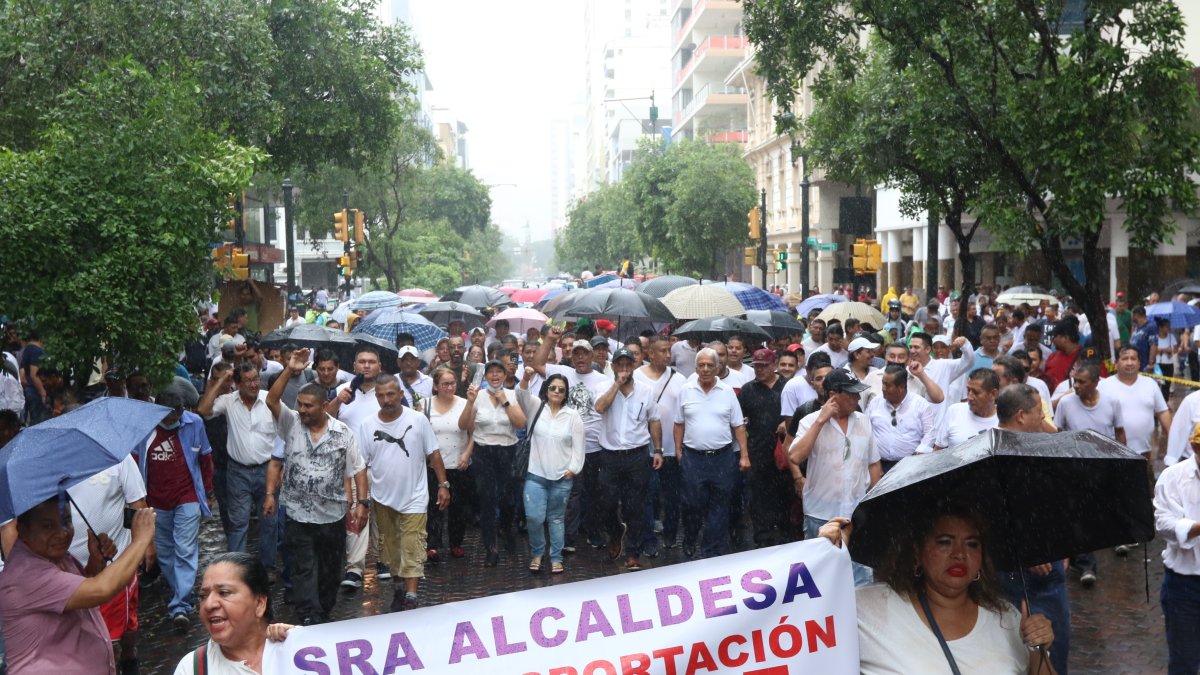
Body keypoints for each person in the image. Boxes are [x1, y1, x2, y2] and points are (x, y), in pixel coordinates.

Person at [818, 504, 1056, 674]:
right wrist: (822, 559)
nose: (959, 554)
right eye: (945, 541)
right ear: (918, 552)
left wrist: (1038, 650)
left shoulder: (1008, 619)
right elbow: (807, 631)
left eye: (972, 544)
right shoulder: (866, 609)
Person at [262, 348, 367, 626]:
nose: (302, 410)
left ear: (323, 406)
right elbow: (272, 400)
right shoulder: (291, 424)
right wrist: (290, 369)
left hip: (332, 515)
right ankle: (309, 615)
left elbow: (358, 469)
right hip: (298, 514)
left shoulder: (343, 433)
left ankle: (323, 609)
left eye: (308, 406)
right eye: (300, 404)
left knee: (330, 571)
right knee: (303, 567)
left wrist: (362, 503)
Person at [0, 496, 156, 674]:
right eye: (48, 526)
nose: (62, 533)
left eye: (66, 521)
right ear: (22, 530)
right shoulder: (27, 573)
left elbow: (76, 594)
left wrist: (95, 562)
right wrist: (140, 540)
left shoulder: (54, 556)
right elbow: (100, 590)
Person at [993, 383, 1072, 675]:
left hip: (1048, 573)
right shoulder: (990, 458)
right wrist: (1024, 548)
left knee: (1052, 654)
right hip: (1012, 578)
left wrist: (1062, 547)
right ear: (1021, 415)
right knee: (1015, 655)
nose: (1044, 417)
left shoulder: (1039, 451)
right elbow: (983, 521)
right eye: (1040, 411)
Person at [357, 376, 450, 611]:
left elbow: (434, 453)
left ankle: (411, 595)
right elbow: (361, 465)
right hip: (382, 497)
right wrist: (363, 501)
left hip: (415, 496)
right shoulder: (367, 425)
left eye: (391, 394)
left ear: (400, 394)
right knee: (391, 547)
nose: (386, 400)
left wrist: (443, 484)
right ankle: (398, 587)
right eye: (381, 395)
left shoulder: (418, 420)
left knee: (412, 544)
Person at [789, 370, 881, 586]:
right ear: (832, 395)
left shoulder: (863, 421)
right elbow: (795, 456)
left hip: (856, 515)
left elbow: (874, 463)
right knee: (821, 580)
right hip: (821, 515)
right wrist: (821, 421)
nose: (857, 398)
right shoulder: (810, 421)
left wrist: (873, 503)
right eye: (851, 393)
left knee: (860, 580)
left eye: (858, 393)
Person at [133, 391, 213, 632]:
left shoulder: (194, 423)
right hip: (155, 500)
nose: (174, 421)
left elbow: (205, 459)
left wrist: (207, 491)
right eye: (169, 418)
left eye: (178, 416)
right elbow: (134, 465)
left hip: (187, 496)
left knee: (185, 549)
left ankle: (180, 605)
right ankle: (181, 591)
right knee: (165, 551)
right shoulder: (143, 428)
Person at [66, 456, 152, 675]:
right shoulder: (49, 465)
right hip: (69, 572)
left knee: (112, 634)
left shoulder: (118, 457)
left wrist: (142, 545)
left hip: (115, 565)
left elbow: (137, 504)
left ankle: (128, 657)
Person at [532, 327, 612, 552]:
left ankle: (593, 532)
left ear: (592, 356)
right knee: (569, 494)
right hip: (567, 448)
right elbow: (537, 364)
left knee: (594, 493)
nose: (580, 358)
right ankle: (568, 538)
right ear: (571, 357)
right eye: (576, 354)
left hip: (595, 447)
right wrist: (549, 339)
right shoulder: (563, 373)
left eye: (584, 353)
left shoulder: (604, 380)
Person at [198, 364, 278, 574]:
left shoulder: (269, 400)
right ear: (237, 383)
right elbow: (203, 410)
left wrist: (281, 468)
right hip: (238, 472)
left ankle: (267, 569)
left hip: (267, 470)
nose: (253, 384)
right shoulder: (228, 401)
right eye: (248, 380)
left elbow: (285, 431)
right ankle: (237, 571)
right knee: (238, 523)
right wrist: (219, 381)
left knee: (269, 522)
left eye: (256, 379)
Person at [673, 348, 750, 559]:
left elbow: (738, 426)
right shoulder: (686, 390)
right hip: (693, 458)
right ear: (696, 368)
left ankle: (711, 551)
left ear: (717, 368)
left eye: (710, 365)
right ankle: (690, 536)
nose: (705, 369)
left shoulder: (727, 392)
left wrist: (744, 455)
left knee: (720, 505)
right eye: (701, 365)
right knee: (692, 503)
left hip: (722, 458)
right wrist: (678, 450)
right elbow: (679, 423)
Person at [1053, 361, 1124, 588]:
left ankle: (1118, 538)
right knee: (1079, 515)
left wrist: (1122, 461)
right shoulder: (1065, 404)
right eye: (1075, 381)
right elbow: (1058, 433)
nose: (1076, 386)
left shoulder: (1112, 402)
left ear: (1095, 383)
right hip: (1075, 468)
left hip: (1105, 466)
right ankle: (1086, 565)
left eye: (1081, 382)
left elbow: (1119, 433)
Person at [594, 348, 662, 571]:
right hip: (610, 455)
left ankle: (633, 552)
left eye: (628, 365)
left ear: (634, 366)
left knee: (635, 506)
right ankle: (615, 531)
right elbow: (600, 407)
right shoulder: (603, 386)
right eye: (619, 365)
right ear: (613, 366)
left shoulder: (646, 391)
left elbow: (654, 420)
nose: (624, 369)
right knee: (606, 503)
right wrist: (616, 384)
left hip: (637, 455)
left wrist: (658, 450)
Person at [173, 553, 295, 674]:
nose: (209, 604)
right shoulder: (191, 669)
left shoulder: (297, 650)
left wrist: (298, 638)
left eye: (224, 592)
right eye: (203, 596)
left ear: (259, 604)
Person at [458, 360, 526, 567]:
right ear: (485, 376)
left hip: (507, 452)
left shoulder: (512, 395)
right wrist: (469, 402)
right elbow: (463, 425)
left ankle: (505, 527)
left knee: (508, 500)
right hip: (483, 452)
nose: (495, 376)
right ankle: (491, 548)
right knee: (487, 500)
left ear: (505, 375)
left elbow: (520, 423)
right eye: (491, 372)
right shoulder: (477, 396)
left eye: (499, 372)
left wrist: (504, 401)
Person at [516, 370, 585, 574]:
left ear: (566, 394)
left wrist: (572, 470)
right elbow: (521, 394)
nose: (556, 392)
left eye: (561, 390)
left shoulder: (573, 416)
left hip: (562, 478)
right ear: (546, 390)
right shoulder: (536, 407)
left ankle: (556, 557)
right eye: (553, 388)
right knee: (534, 518)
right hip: (535, 475)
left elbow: (579, 448)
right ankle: (537, 553)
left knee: (556, 519)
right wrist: (526, 378)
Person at [1154, 424, 1200, 675]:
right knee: (1184, 662)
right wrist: (1196, 528)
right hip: (1184, 586)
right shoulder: (1173, 477)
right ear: (1195, 447)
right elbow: (1163, 524)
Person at [634, 335, 685, 555]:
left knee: (672, 496)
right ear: (651, 354)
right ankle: (648, 539)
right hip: (645, 449)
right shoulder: (636, 376)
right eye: (662, 351)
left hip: (672, 449)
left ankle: (671, 533)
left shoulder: (679, 379)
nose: (667, 355)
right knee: (647, 495)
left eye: (669, 350)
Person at [738, 348, 789, 547]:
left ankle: (784, 537)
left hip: (783, 452)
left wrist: (788, 423)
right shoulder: (748, 390)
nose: (759, 370)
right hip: (757, 453)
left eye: (764, 366)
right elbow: (737, 422)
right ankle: (762, 539)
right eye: (756, 366)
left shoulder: (787, 387)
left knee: (784, 496)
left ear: (774, 365)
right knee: (758, 498)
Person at [425, 368, 473, 560]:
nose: (449, 387)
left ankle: (456, 542)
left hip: (459, 464)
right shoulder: (425, 405)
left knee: (458, 507)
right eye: (445, 384)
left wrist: (467, 454)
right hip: (434, 465)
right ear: (436, 386)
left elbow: (473, 432)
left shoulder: (464, 403)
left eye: (452, 383)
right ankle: (432, 544)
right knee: (433, 506)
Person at [866, 364, 937, 472]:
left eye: (887, 385)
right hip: (879, 466)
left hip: (911, 466)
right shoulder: (875, 403)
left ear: (901, 388)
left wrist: (917, 458)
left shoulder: (920, 405)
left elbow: (930, 434)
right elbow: (865, 429)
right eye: (883, 383)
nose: (883, 388)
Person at [934, 369, 1000, 450]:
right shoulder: (954, 411)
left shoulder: (1005, 419)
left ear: (993, 394)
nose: (969, 397)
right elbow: (937, 451)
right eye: (968, 390)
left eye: (976, 392)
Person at [1149, 318, 1181, 402]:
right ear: (1160, 327)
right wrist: (1164, 349)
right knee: (1157, 384)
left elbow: (1175, 349)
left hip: (1169, 364)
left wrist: (1171, 351)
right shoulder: (1155, 337)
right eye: (1166, 326)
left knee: (1167, 385)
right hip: (1158, 364)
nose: (1169, 328)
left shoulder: (1171, 337)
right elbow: (1152, 350)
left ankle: (1165, 402)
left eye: (1169, 326)